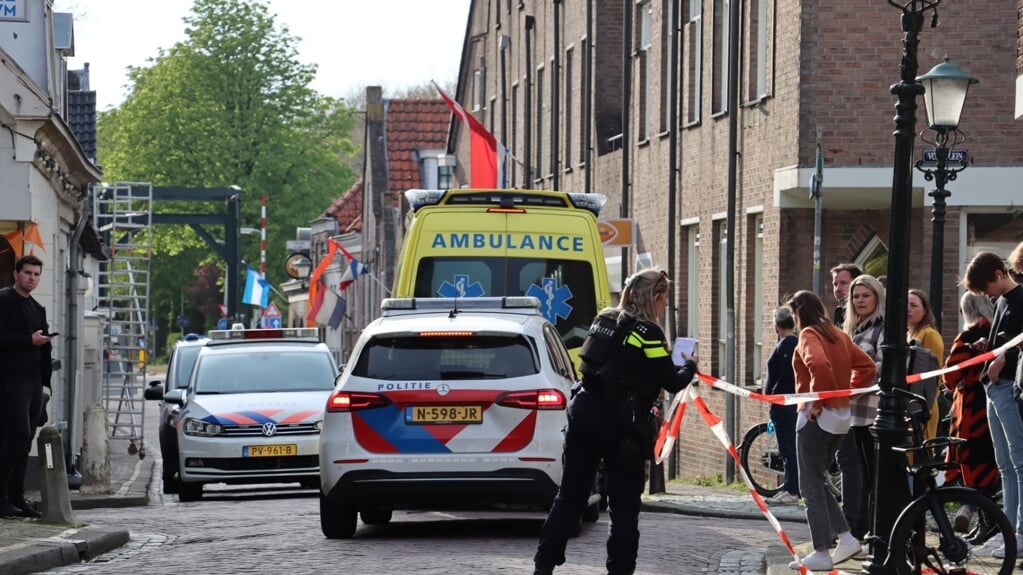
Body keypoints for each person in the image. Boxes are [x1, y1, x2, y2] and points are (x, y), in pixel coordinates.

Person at [533, 268, 698, 575]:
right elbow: (672, 382)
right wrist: (690, 366)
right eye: (664, 300)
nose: (665, 307)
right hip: (622, 426)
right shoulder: (649, 333)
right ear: (656, 297)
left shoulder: (604, 319)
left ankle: (543, 565)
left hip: (583, 414)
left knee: (570, 496)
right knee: (623, 509)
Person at [785, 290, 876, 571]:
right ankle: (846, 537)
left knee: (809, 485)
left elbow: (819, 365)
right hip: (841, 418)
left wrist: (818, 400)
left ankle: (821, 550)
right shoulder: (839, 334)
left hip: (816, 417)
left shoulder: (809, 334)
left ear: (798, 313)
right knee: (819, 480)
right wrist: (845, 395)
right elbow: (867, 367)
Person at [962, 251, 1023, 559]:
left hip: (1009, 385)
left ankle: (1020, 530)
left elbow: (1017, 344)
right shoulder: (1001, 302)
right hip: (995, 385)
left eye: (986, 286)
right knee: (1006, 465)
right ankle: (1008, 529)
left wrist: (1004, 357)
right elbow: (1007, 340)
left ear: (1000, 274)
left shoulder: (1020, 298)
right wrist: (990, 347)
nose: (985, 294)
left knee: (1018, 460)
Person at [943, 292, 1000, 542]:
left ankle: (987, 522)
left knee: (974, 464)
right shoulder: (996, 332)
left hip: (971, 407)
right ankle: (987, 522)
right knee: (990, 462)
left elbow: (950, 375)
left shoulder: (969, 336)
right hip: (989, 400)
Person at [0, 255, 54, 519]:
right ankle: (1, 497)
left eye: (36, 274)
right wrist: (28, 340)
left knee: (26, 440)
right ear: (16, 274)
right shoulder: (4, 300)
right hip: (10, 380)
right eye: (27, 273)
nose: (32, 278)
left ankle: (16, 497)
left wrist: (46, 383)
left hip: (33, 381)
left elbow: (41, 344)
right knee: (17, 435)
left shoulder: (37, 307)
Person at [838, 274, 885, 540]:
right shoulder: (853, 330)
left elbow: (881, 365)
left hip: (870, 411)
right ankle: (853, 524)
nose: (859, 301)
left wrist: (852, 377)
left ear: (877, 297)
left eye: (866, 295)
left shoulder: (881, 329)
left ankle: (861, 526)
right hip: (849, 411)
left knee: (866, 470)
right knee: (849, 466)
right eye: (856, 296)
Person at [764, 306, 799, 504]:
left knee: (788, 447)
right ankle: (789, 486)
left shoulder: (787, 344)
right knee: (787, 447)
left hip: (784, 405)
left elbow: (785, 375)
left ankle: (792, 490)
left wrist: (774, 395)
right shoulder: (790, 343)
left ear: (777, 326)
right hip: (785, 403)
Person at [907, 289, 944, 439]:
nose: (908, 309)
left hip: (923, 407)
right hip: (909, 404)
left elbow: (933, 376)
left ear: (925, 311)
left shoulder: (930, 335)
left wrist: (923, 408)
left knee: (922, 454)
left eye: (914, 305)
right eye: (906, 305)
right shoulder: (908, 334)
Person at [830, 263, 863, 328]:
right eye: (835, 284)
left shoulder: (863, 311)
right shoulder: (839, 311)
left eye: (843, 283)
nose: (837, 289)